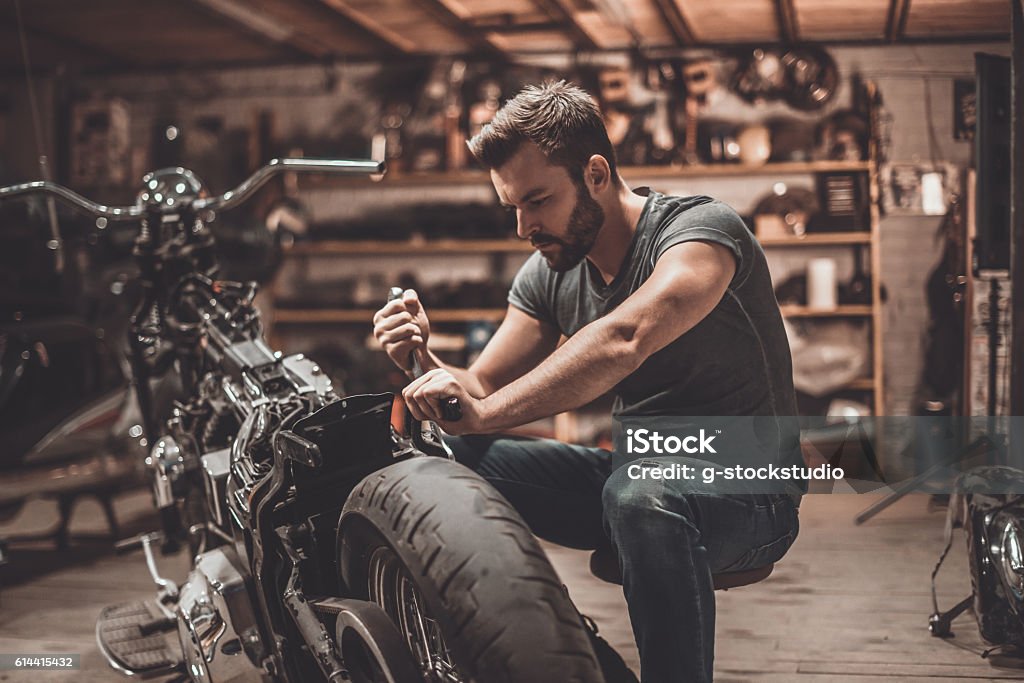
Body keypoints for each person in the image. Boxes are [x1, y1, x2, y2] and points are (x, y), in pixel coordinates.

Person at [372, 80, 804, 683]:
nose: (525, 225)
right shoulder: (550, 266)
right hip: (632, 484)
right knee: (445, 456)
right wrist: (420, 356)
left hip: (748, 496)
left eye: (539, 201)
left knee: (640, 495)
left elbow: (624, 339)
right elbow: (479, 384)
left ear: (596, 173)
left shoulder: (701, 233)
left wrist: (488, 411)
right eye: (514, 208)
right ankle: (546, 652)